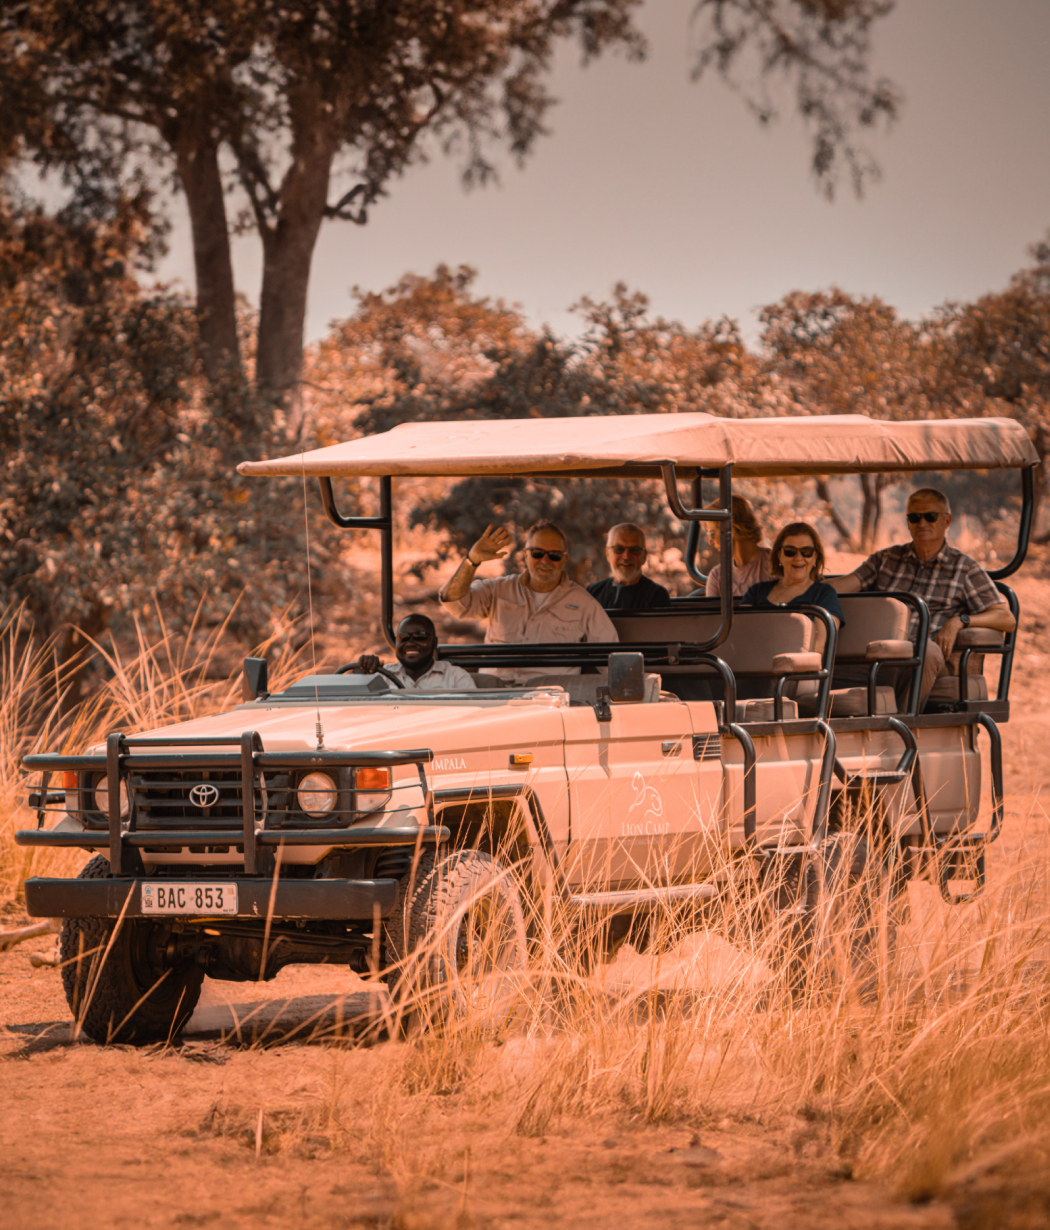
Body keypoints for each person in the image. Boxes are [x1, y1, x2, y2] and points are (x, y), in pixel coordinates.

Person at [831, 487, 1015, 706]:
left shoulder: (964, 568)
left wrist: (961, 621)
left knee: (925, 650)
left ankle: (898, 729)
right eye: (915, 517)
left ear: (947, 521)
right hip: (881, 653)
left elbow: (1006, 618)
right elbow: (844, 585)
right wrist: (797, 585)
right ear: (908, 521)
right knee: (819, 662)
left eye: (930, 516)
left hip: (927, 658)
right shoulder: (886, 559)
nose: (922, 523)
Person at [439, 519, 618, 677]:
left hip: (548, 702)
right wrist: (472, 561)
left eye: (554, 555)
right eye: (537, 554)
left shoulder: (584, 604)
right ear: (525, 555)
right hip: (494, 697)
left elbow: (613, 660)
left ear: (564, 560)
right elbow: (454, 603)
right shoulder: (499, 589)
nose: (545, 561)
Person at [742, 522, 843, 654]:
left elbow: (821, 646)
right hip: (754, 665)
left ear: (815, 557)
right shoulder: (755, 592)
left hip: (800, 670)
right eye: (790, 551)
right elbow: (741, 635)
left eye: (807, 552)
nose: (798, 558)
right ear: (780, 555)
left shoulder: (824, 594)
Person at [355, 614, 476, 690]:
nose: (410, 643)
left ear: (434, 642)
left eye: (419, 637)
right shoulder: (381, 677)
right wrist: (363, 672)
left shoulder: (456, 678)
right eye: (403, 638)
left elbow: (473, 717)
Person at [587, 523, 671, 610]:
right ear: (608, 554)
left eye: (634, 550)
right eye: (619, 549)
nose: (626, 556)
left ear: (644, 556)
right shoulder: (593, 593)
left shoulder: (657, 596)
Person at [704, 496, 773, 598]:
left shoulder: (777, 563)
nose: (710, 542)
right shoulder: (717, 576)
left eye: (712, 534)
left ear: (731, 528)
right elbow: (713, 614)